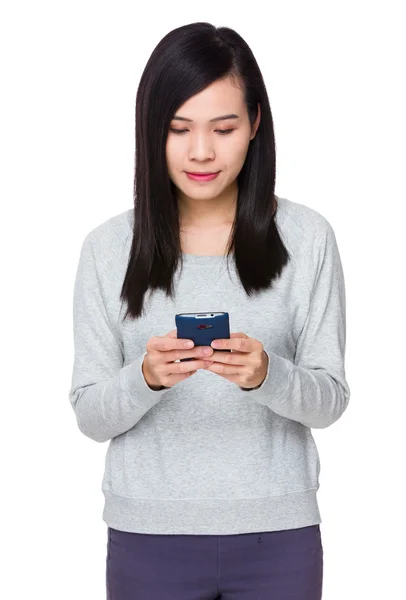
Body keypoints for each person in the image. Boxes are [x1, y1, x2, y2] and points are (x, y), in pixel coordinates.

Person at [69, 21, 350, 600]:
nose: (201, 152)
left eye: (223, 128)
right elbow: (90, 416)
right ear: (152, 133)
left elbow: (331, 400)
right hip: (149, 535)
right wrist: (145, 379)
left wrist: (268, 375)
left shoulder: (308, 237)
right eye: (178, 130)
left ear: (255, 125)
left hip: (278, 537)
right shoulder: (106, 249)